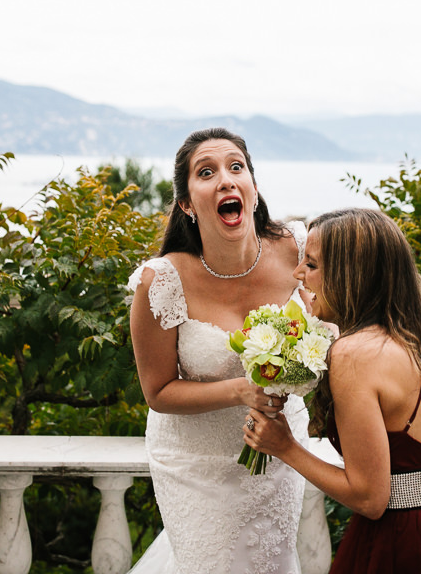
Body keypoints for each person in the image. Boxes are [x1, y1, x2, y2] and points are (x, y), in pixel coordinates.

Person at [242, 208, 421, 573]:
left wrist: (285, 447)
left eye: (311, 264)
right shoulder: (411, 338)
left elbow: (369, 497)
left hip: (406, 542)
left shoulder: (354, 355)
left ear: (351, 276)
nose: (299, 274)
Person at [127, 128, 311, 574]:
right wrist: (241, 390)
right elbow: (157, 392)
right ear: (187, 203)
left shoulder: (299, 250)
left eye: (236, 167)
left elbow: (334, 333)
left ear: (251, 187)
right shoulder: (162, 281)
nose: (226, 180)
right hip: (195, 464)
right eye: (206, 172)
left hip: (281, 451)